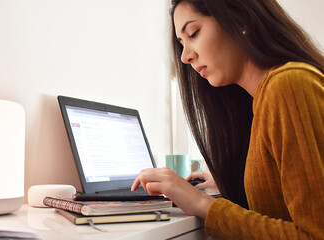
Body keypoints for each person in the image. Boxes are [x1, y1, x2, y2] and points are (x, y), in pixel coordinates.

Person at [131, 0, 324, 239]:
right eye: (181, 44)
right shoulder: (260, 101)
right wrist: (234, 181)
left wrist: (204, 204)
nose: (185, 57)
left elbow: (315, 234)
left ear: (240, 19)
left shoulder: (288, 86)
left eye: (194, 33)